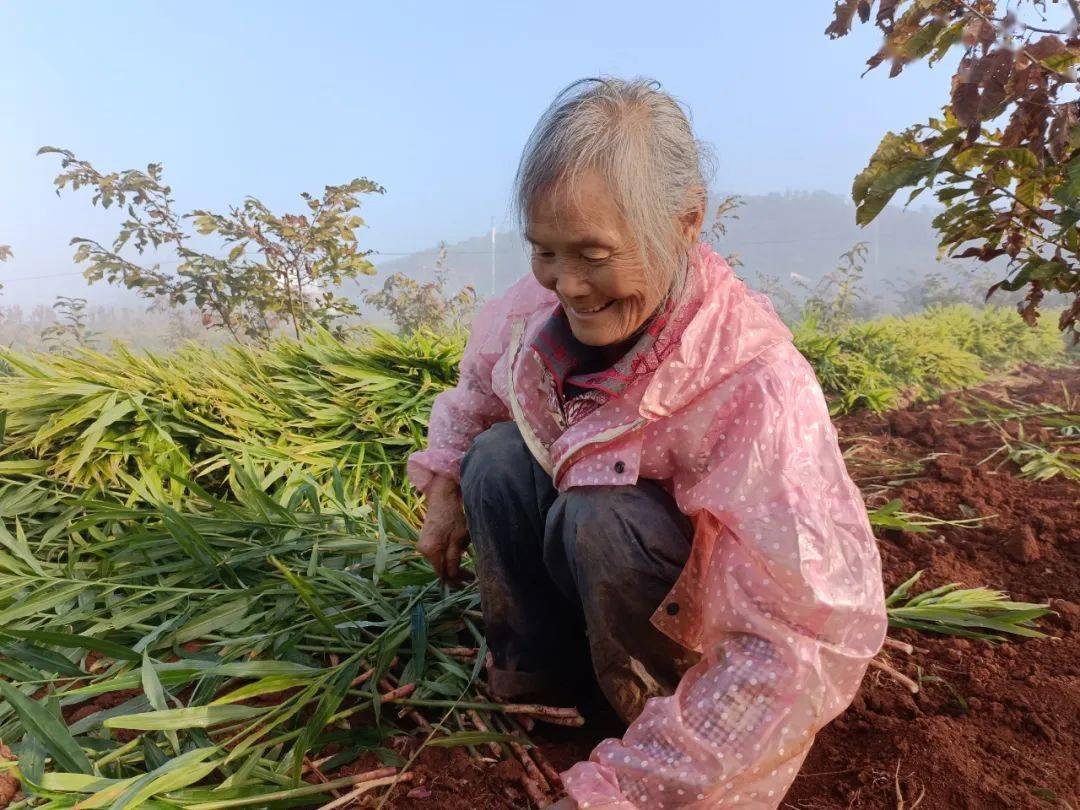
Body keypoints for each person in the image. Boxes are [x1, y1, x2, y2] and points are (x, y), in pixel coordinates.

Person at [407, 77, 886, 809]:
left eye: (594, 255)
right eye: (545, 252)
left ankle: (638, 709)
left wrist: (634, 790)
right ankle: (539, 684)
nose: (567, 285)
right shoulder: (536, 314)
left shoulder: (753, 380)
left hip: (683, 629)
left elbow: (798, 634)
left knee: (599, 513)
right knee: (497, 459)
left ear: (686, 223)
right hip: (585, 574)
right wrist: (444, 486)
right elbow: (480, 389)